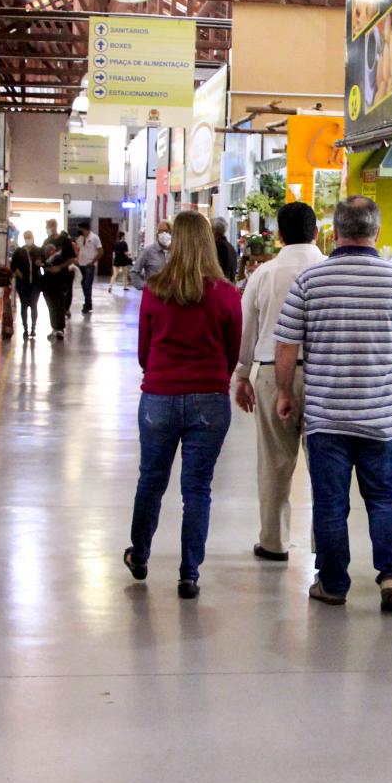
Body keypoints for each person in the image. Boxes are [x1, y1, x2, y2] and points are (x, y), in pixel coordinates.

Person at [274, 196, 392, 613]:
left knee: (330, 503)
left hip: (327, 416)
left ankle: (332, 583)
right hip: (380, 417)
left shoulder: (311, 281)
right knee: (384, 498)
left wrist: (285, 392)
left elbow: (286, 344)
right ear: (377, 232)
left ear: (335, 232)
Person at [124, 210, 242, 600]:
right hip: (210, 401)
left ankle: (140, 555)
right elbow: (231, 352)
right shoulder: (227, 295)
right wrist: (212, 380)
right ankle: (188, 574)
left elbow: (144, 352)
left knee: (151, 480)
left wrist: (163, 373)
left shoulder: (154, 290)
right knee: (197, 488)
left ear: (173, 243)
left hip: (159, 396)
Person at [234, 202, 324, 562]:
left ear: (280, 236)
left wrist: (243, 375)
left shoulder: (264, 274)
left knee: (274, 462)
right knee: (324, 466)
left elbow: (247, 329)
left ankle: (274, 542)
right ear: (316, 232)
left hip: (272, 373)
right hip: (323, 376)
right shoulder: (329, 269)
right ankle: (325, 545)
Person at [40, 218, 77, 341]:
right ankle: (54, 327)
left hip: (61, 277)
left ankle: (60, 328)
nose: (47, 229)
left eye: (48, 226)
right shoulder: (46, 241)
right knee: (50, 302)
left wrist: (60, 267)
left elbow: (72, 259)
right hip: (48, 278)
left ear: (54, 226)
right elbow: (42, 257)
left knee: (59, 302)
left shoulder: (64, 241)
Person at [10, 230, 42, 340]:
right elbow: (13, 265)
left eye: (30, 236)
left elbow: (43, 262)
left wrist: (40, 263)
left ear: (33, 237)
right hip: (23, 284)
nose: (28, 239)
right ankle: (25, 329)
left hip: (36, 283)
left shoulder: (38, 250)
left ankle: (33, 328)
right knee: (24, 305)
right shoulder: (19, 251)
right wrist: (18, 272)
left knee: (34, 305)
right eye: (26, 237)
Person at [73, 220, 103, 315]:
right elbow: (77, 250)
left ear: (85, 229)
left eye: (81, 229)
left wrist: (93, 262)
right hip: (81, 264)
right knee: (83, 285)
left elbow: (100, 251)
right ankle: (88, 303)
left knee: (87, 285)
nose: (80, 231)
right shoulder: (80, 238)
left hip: (89, 265)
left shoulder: (94, 238)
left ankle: (87, 304)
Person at [212, 217, 237, 282]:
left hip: (221, 286)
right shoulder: (230, 246)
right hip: (229, 285)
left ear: (214, 230)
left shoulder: (218, 246)